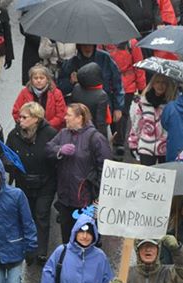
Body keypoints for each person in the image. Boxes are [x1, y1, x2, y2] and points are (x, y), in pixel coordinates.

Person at [45, 103, 112, 242]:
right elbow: (48, 149)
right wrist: (59, 149)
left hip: (85, 200)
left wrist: (99, 196)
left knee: (84, 238)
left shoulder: (95, 138)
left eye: (68, 115)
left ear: (79, 118)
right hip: (65, 198)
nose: (65, 118)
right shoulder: (63, 133)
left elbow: (106, 169)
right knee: (67, 238)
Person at [6, 102, 58, 263]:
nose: (19, 120)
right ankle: (30, 249)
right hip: (23, 182)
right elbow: (6, 154)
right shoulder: (14, 134)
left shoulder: (50, 133)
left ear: (36, 119)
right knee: (27, 217)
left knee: (42, 215)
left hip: (46, 182)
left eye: (24, 117)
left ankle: (41, 251)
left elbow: (56, 158)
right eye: (20, 116)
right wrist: (8, 163)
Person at [57, 43, 124, 119]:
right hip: (80, 108)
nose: (87, 48)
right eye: (84, 45)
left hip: (103, 106)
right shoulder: (71, 63)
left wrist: (118, 107)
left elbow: (117, 83)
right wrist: (71, 82)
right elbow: (61, 88)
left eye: (90, 45)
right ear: (79, 46)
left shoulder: (105, 58)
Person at [101, 39, 145, 156]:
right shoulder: (102, 42)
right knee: (111, 113)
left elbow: (139, 66)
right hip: (111, 83)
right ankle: (116, 141)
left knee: (122, 114)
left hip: (126, 85)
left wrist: (141, 87)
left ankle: (118, 142)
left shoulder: (131, 43)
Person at [128, 74, 176, 166]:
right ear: (153, 84)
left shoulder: (171, 105)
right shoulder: (142, 103)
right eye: (158, 82)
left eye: (163, 83)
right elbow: (136, 125)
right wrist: (133, 143)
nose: (160, 86)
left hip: (165, 148)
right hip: (146, 147)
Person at [12, 64, 67, 130]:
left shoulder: (56, 93)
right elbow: (16, 112)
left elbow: (61, 115)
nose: (38, 80)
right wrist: (28, 124)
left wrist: (46, 127)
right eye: (35, 78)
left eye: (41, 78)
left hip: (51, 130)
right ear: (31, 80)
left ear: (47, 79)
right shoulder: (24, 92)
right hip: (29, 130)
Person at [70, 62, 112, 137]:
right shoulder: (101, 95)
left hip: (79, 127)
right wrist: (103, 138)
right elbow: (100, 122)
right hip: (93, 131)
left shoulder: (76, 88)